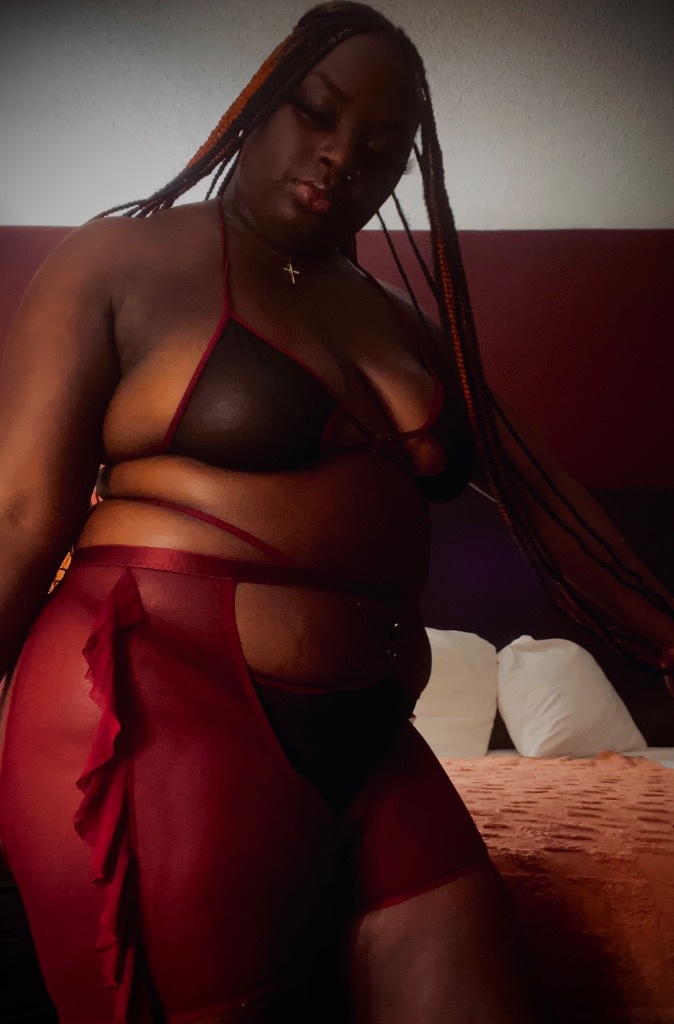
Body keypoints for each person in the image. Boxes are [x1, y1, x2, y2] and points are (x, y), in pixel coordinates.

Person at [0, 3, 672, 1022]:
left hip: (373, 734)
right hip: (163, 701)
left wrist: (666, 637)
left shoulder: (405, 322)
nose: (340, 155)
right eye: (315, 113)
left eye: (380, 146)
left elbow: (546, 501)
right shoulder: (119, 260)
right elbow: (18, 516)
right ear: (257, 108)